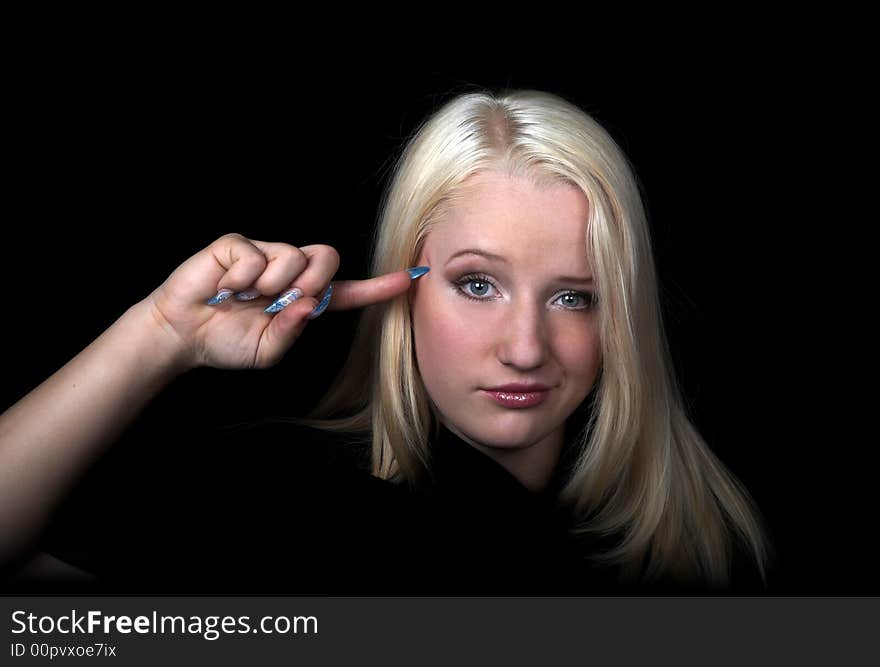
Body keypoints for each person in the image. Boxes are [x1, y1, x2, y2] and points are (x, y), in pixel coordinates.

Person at [0, 87, 774, 593]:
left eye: (576, 296)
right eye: (478, 283)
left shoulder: (707, 550)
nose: (527, 347)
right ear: (407, 281)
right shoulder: (281, 500)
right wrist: (159, 334)